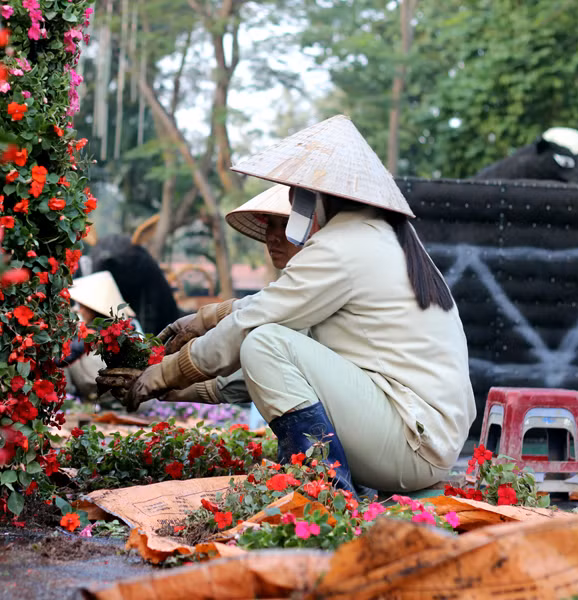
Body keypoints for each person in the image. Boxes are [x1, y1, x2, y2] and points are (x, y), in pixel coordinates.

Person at [99, 115, 475, 494]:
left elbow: (256, 328)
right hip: (422, 438)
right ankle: (320, 478)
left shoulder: (344, 246)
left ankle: (324, 485)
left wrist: (162, 375)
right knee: (269, 342)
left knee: (265, 342)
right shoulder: (373, 235)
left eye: (296, 197)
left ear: (318, 197)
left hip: (412, 442)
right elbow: (282, 343)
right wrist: (190, 358)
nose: (290, 208)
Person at [161, 184, 306, 407]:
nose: (273, 238)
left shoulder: (319, 281)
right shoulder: (293, 282)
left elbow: (265, 354)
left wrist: (169, 375)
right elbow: (260, 306)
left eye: (286, 225)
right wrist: (207, 317)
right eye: (271, 225)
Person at [62, 271, 138, 401]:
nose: (79, 310)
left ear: (92, 309)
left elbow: (68, 355)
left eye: (82, 307)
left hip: (117, 396)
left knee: (63, 355)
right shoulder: (113, 326)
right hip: (127, 395)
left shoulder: (98, 331)